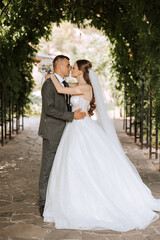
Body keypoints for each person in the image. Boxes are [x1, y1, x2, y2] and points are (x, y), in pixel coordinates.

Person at [43, 59, 160, 232]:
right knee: (72, 165)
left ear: (81, 71)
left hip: (80, 129)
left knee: (81, 163)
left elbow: (60, 89)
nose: (72, 70)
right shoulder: (80, 83)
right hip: (74, 128)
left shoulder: (85, 88)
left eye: (74, 68)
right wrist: (53, 77)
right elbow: (64, 84)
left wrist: (50, 75)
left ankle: (86, 202)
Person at [38, 55, 86, 217]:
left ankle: (59, 198)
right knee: (48, 168)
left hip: (66, 132)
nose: (70, 67)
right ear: (59, 66)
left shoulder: (62, 83)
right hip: (52, 131)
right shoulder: (49, 85)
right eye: (67, 65)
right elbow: (49, 109)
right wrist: (72, 116)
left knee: (61, 167)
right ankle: (43, 203)